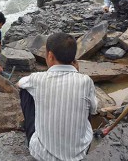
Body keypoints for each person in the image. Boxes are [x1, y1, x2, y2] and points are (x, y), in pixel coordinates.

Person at [18, 32, 97, 161]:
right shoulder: (86, 80)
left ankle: (36, 132)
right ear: (73, 59)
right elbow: (93, 110)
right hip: (80, 153)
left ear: (50, 56)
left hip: (42, 155)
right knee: (86, 101)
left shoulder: (37, 79)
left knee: (25, 91)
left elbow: (19, 83)